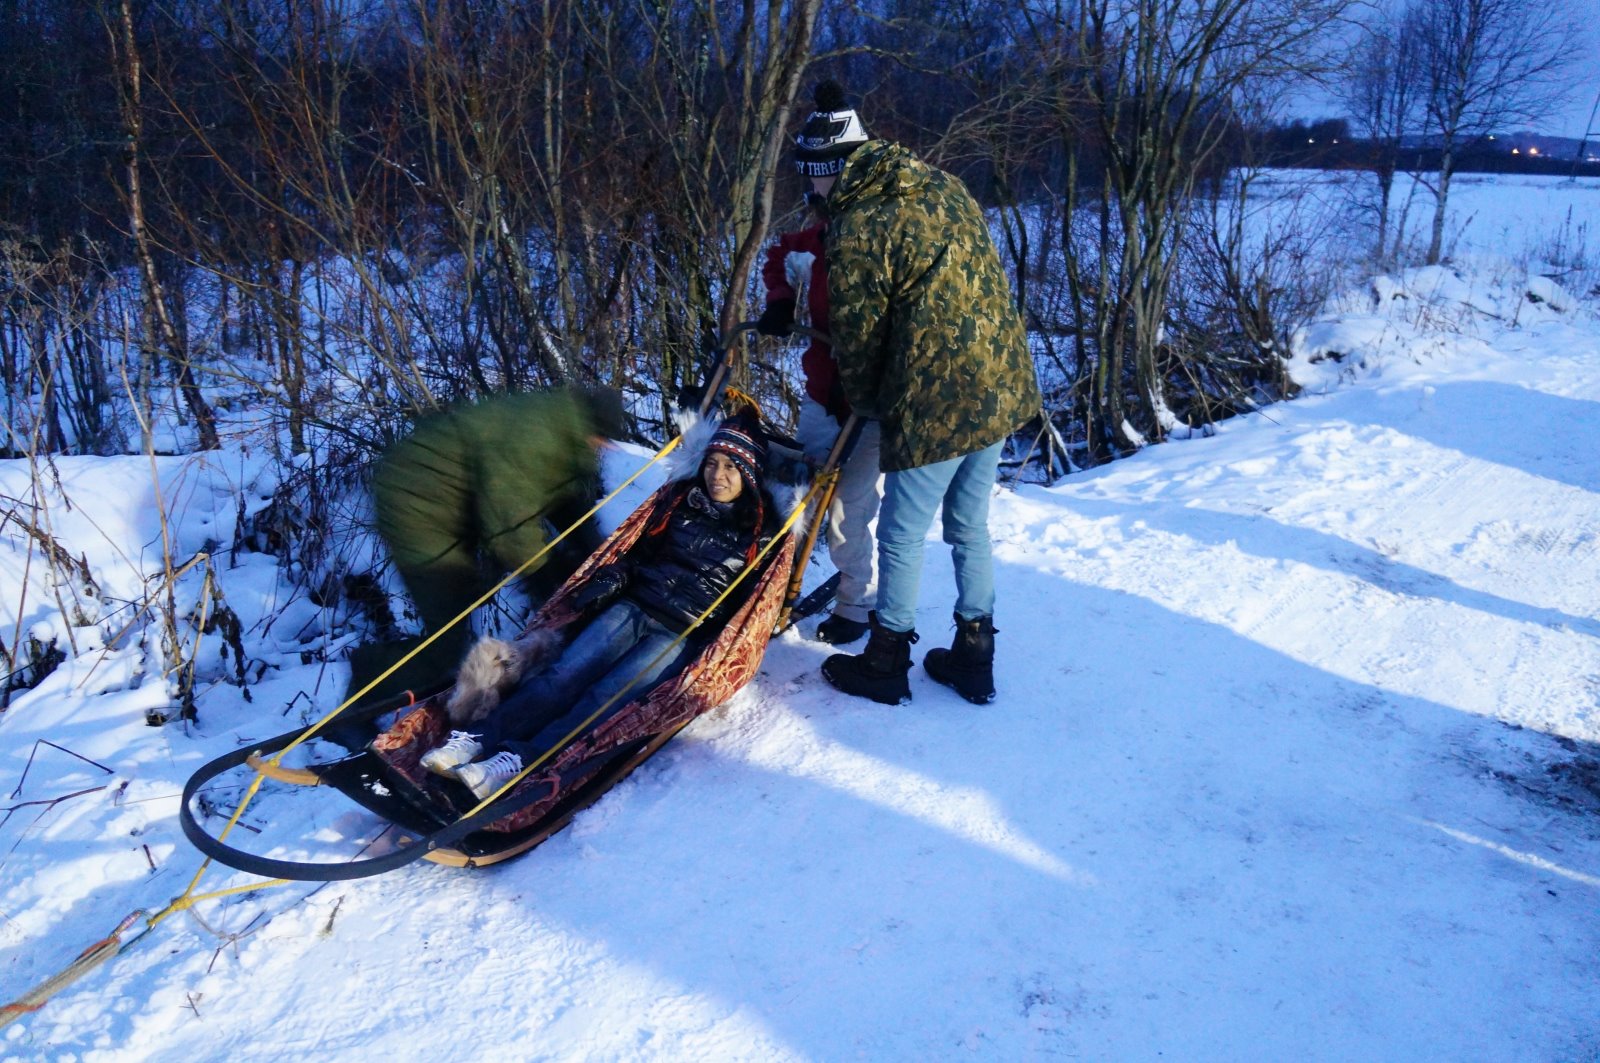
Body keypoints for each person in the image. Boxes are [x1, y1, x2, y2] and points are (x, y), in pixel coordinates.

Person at [802, 83, 1043, 707]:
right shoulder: (937, 183)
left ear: (829, 170)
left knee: (902, 535)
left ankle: (885, 661)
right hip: (999, 381)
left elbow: (857, 339)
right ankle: (974, 657)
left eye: (811, 177)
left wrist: (864, 403)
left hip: (936, 398)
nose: (810, 193)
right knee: (970, 527)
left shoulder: (858, 224)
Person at [417, 414, 777, 799]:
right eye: (711, 462)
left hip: (680, 632)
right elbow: (639, 550)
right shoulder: (680, 502)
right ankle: (473, 740)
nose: (717, 475)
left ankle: (514, 761)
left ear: (749, 474)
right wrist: (618, 575)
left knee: (602, 699)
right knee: (563, 675)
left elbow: (753, 608)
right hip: (634, 605)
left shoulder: (761, 535)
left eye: (730, 467)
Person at [338, 387, 626, 739]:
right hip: (417, 506)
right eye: (604, 440)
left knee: (467, 601)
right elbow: (509, 527)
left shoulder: (560, 427)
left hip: (452, 506)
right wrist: (553, 590)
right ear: (591, 428)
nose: (606, 448)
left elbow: (565, 501)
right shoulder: (538, 437)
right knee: (447, 643)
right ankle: (362, 692)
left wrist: (600, 557)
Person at [755, 80, 884, 646]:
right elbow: (781, 253)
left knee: (847, 514)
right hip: (822, 393)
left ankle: (857, 606)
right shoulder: (819, 234)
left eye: (820, 170)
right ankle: (768, 593)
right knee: (797, 497)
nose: (812, 182)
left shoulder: (882, 230)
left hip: (871, 402)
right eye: (809, 171)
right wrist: (781, 303)